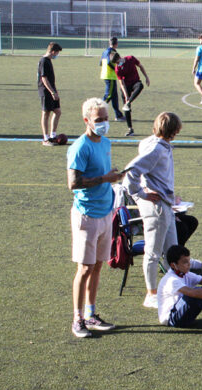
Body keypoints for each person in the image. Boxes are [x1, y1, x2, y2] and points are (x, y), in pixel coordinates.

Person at [67, 97, 125, 338]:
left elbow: (103, 173)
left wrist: (113, 178)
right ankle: (77, 318)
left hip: (105, 212)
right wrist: (104, 179)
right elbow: (73, 183)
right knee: (84, 268)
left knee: (98, 266)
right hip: (87, 215)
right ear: (87, 120)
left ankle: (91, 313)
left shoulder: (106, 142)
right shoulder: (80, 147)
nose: (103, 124)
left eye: (106, 119)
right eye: (99, 120)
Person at [122, 112, 182, 309]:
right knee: (153, 252)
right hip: (156, 207)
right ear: (174, 130)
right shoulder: (156, 148)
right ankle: (151, 294)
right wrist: (141, 193)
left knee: (172, 250)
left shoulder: (153, 144)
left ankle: (174, 287)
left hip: (165, 203)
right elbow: (132, 170)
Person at [112, 53, 150, 136]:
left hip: (135, 82)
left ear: (120, 57)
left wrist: (146, 77)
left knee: (140, 86)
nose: (117, 64)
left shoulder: (131, 58)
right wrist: (126, 96)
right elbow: (121, 83)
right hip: (125, 87)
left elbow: (140, 66)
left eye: (117, 62)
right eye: (116, 63)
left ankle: (128, 102)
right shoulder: (117, 69)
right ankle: (130, 129)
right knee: (127, 109)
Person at [37, 42, 63, 146]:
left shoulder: (48, 61)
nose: (57, 55)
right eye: (57, 53)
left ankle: (53, 136)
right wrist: (52, 92)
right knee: (46, 113)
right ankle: (45, 138)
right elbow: (44, 78)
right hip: (45, 91)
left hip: (52, 89)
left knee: (57, 111)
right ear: (52, 51)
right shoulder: (43, 61)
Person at [99, 37, 124, 121]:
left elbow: (100, 63)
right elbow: (111, 62)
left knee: (114, 96)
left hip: (106, 75)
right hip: (110, 76)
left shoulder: (105, 51)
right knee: (108, 95)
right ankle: (97, 111)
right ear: (116, 44)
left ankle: (118, 115)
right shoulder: (113, 52)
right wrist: (115, 68)